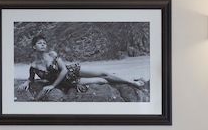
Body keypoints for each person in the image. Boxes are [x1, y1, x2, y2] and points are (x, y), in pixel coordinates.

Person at [18, 35, 146, 99]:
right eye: (39, 43)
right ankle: (122, 81)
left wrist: (52, 85)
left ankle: (132, 83)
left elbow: (63, 70)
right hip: (69, 82)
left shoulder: (52, 54)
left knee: (103, 73)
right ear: (34, 47)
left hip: (72, 70)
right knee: (102, 80)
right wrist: (26, 82)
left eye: (44, 43)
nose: (43, 45)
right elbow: (31, 78)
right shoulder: (33, 66)